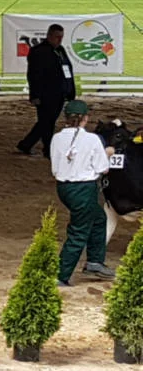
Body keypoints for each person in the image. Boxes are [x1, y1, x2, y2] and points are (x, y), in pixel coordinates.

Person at [50, 100, 116, 286]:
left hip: (64, 187)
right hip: (83, 188)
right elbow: (103, 168)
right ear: (85, 118)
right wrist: (108, 153)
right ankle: (61, 275)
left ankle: (95, 261)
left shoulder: (57, 138)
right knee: (78, 232)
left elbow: (55, 167)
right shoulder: (92, 139)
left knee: (98, 219)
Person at [17, 24, 76, 158]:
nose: (59, 40)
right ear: (49, 36)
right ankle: (47, 149)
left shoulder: (60, 50)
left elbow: (68, 70)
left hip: (60, 93)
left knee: (47, 122)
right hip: (45, 94)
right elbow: (33, 75)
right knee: (47, 123)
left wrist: (70, 90)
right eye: (57, 37)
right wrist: (35, 95)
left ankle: (26, 144)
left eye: (61, 37)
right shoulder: (38, 51)